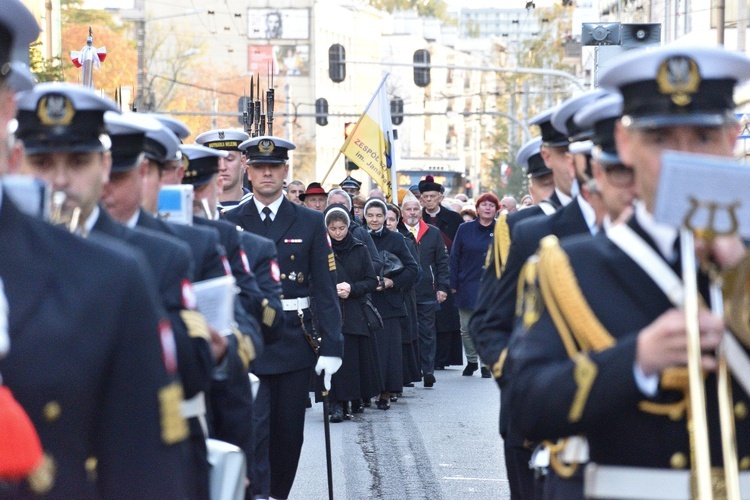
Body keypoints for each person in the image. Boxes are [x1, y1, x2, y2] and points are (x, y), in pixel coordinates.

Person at [509, 44, 750, 499]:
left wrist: (739, 265)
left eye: (702, 139)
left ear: (733, 136)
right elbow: (527, 406)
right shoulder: (573, 266)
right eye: (659, 139)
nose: (682, 158)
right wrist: (635, 359)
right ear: (624, 144)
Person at [7, 80, 190, 496]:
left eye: (76, 162)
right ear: (18, 161)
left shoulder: (122, 272)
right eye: (43, 164)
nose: (59, 181)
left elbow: (142, 455)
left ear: (104, 166)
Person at [224, 136, 343, 500]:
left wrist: (332, 346)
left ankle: (278, 494)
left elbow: (325, 288)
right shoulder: (231, 222)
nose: (266, 174)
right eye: (259, 167)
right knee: (253, 431)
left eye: (273, 167)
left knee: (289, 435)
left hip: (295, 340)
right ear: (248, 170)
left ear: (285, 171)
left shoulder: (308, 221)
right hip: (250, 342)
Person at [323, 205, 379, 422]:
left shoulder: (360, 248)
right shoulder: (321, 249)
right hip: (330, 310)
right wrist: (332, 289)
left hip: (354, 311)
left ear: (349, 227)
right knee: (332, 355)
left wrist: (352, 289)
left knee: (352, 359)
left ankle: (353, 398)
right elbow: (312, 279)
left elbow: (371, 280)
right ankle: (335, 403)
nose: (338, 232)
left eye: (342, 227)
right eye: (333, 228)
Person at [364, 197, 419, 408]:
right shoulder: (358, 236)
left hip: (390, 303)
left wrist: (391, 282)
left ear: (386, 217)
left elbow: (413, 270)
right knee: (369, 350)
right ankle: (367, 391)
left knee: (388, 352)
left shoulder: (396, 239)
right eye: (370, 215)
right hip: (365, 301)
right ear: (364, 217)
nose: (375, 219)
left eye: (379, 215)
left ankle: (386, 392)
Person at [397, 192, 449, 388]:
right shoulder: (397, 232)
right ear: (402, 212)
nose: (412, 212)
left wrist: (442, 287)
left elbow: (442, 262)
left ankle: (428, 370)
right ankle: (410, 371)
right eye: (408, 209)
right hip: (403, 291)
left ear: (421, 211)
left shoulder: (433, 232)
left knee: (427, 332)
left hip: (427, 291)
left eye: (415, 209)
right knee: (407, 332)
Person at [450, 193, 499, 378]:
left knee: (487, 326)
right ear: (477, 209)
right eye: (484, 205)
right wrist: (453, 282)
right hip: (466, 283)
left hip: (492, 285)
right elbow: (454, 256)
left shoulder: (502, 230)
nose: (487, 208)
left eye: (491, 205)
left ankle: (486, 363)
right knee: (467, 326)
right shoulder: (464, 229)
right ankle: (471, 360)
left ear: (496, 209)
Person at [419, 175, 464, 370]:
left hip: (446, 270)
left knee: (446, 316)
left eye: (432, 196)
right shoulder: (416, 216)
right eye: (425, 197)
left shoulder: (454, 218)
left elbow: (459, 247)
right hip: (423, 272)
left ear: (440, 197)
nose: (428, 200)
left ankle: (443, 357)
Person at [387, 202, 421, 387]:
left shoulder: (405, 241)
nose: (387, 223)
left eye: (391, 219)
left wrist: (396, 281)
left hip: (402, 295)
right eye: (385, 220)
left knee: (402, 339)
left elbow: (416, 271)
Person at [195, 128, 251, 209]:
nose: (222, 167)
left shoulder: (259, 206)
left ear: (243, 162)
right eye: (216, 160)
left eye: (229, 159)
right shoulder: (198, 208)